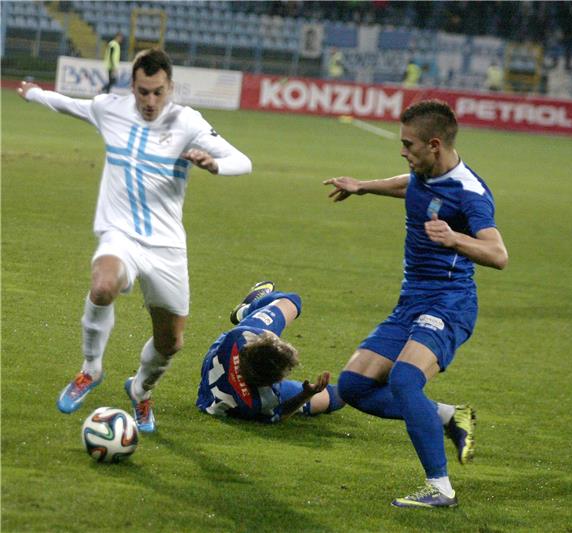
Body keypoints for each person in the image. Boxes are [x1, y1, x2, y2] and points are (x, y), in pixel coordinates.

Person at [17, 49, 252, 432]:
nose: (150, 101)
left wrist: (215, 165)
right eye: (143, 92)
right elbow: (68, 104)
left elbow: (243, 160)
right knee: (103, 284)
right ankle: (90, 369)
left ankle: (141, 390)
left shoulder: (188, 122)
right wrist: (33, 93)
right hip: (120, 234)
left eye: (158, 92)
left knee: (171, 342)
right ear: (133, 87)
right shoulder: (109, 109)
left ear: (170, 87)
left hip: (167, 246)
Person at [323, 99, 508, 508]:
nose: (403, 152)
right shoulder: (423, 171)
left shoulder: (470, 194)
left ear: (435, 144)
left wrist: (456, 239)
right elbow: (409, 184)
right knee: (353, 387)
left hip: (450, 303)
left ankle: (439, 488)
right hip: (410, 302)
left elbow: (498, 254)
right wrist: (364, 187)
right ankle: (447, 416)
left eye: (409, 145)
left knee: (405, 380)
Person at [197, 281, 345, 422]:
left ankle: (244, 312)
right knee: (334, 397)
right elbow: (281, 414)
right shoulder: (264, 402)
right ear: (273, 382)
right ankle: (359, 384)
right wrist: (306, 394)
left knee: (290, 302)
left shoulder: (239, 337)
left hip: (222, 363)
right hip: (237, 375)